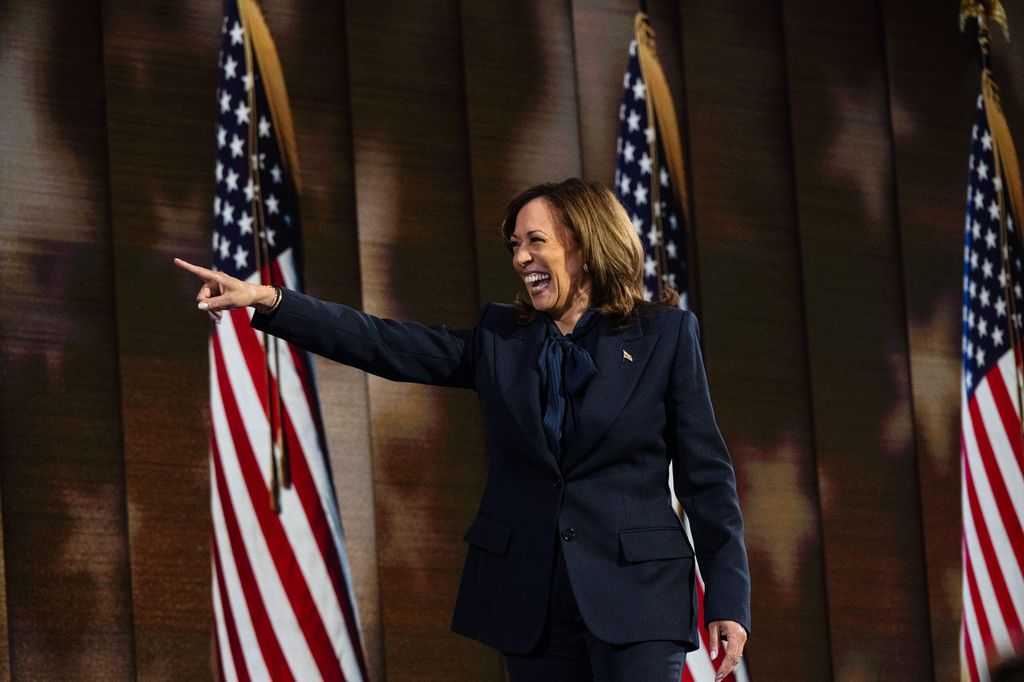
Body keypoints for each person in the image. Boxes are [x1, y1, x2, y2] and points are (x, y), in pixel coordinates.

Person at [176, 177, 750, 681]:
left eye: (536, 241)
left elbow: (707, 478)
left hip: (638, 597)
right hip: (531, 600)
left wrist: (728, 599)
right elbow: (384, 343)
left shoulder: (665, 337)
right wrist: (270, 301)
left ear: (584, 244)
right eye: (515, 245)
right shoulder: (503, 339)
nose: (521, 257)